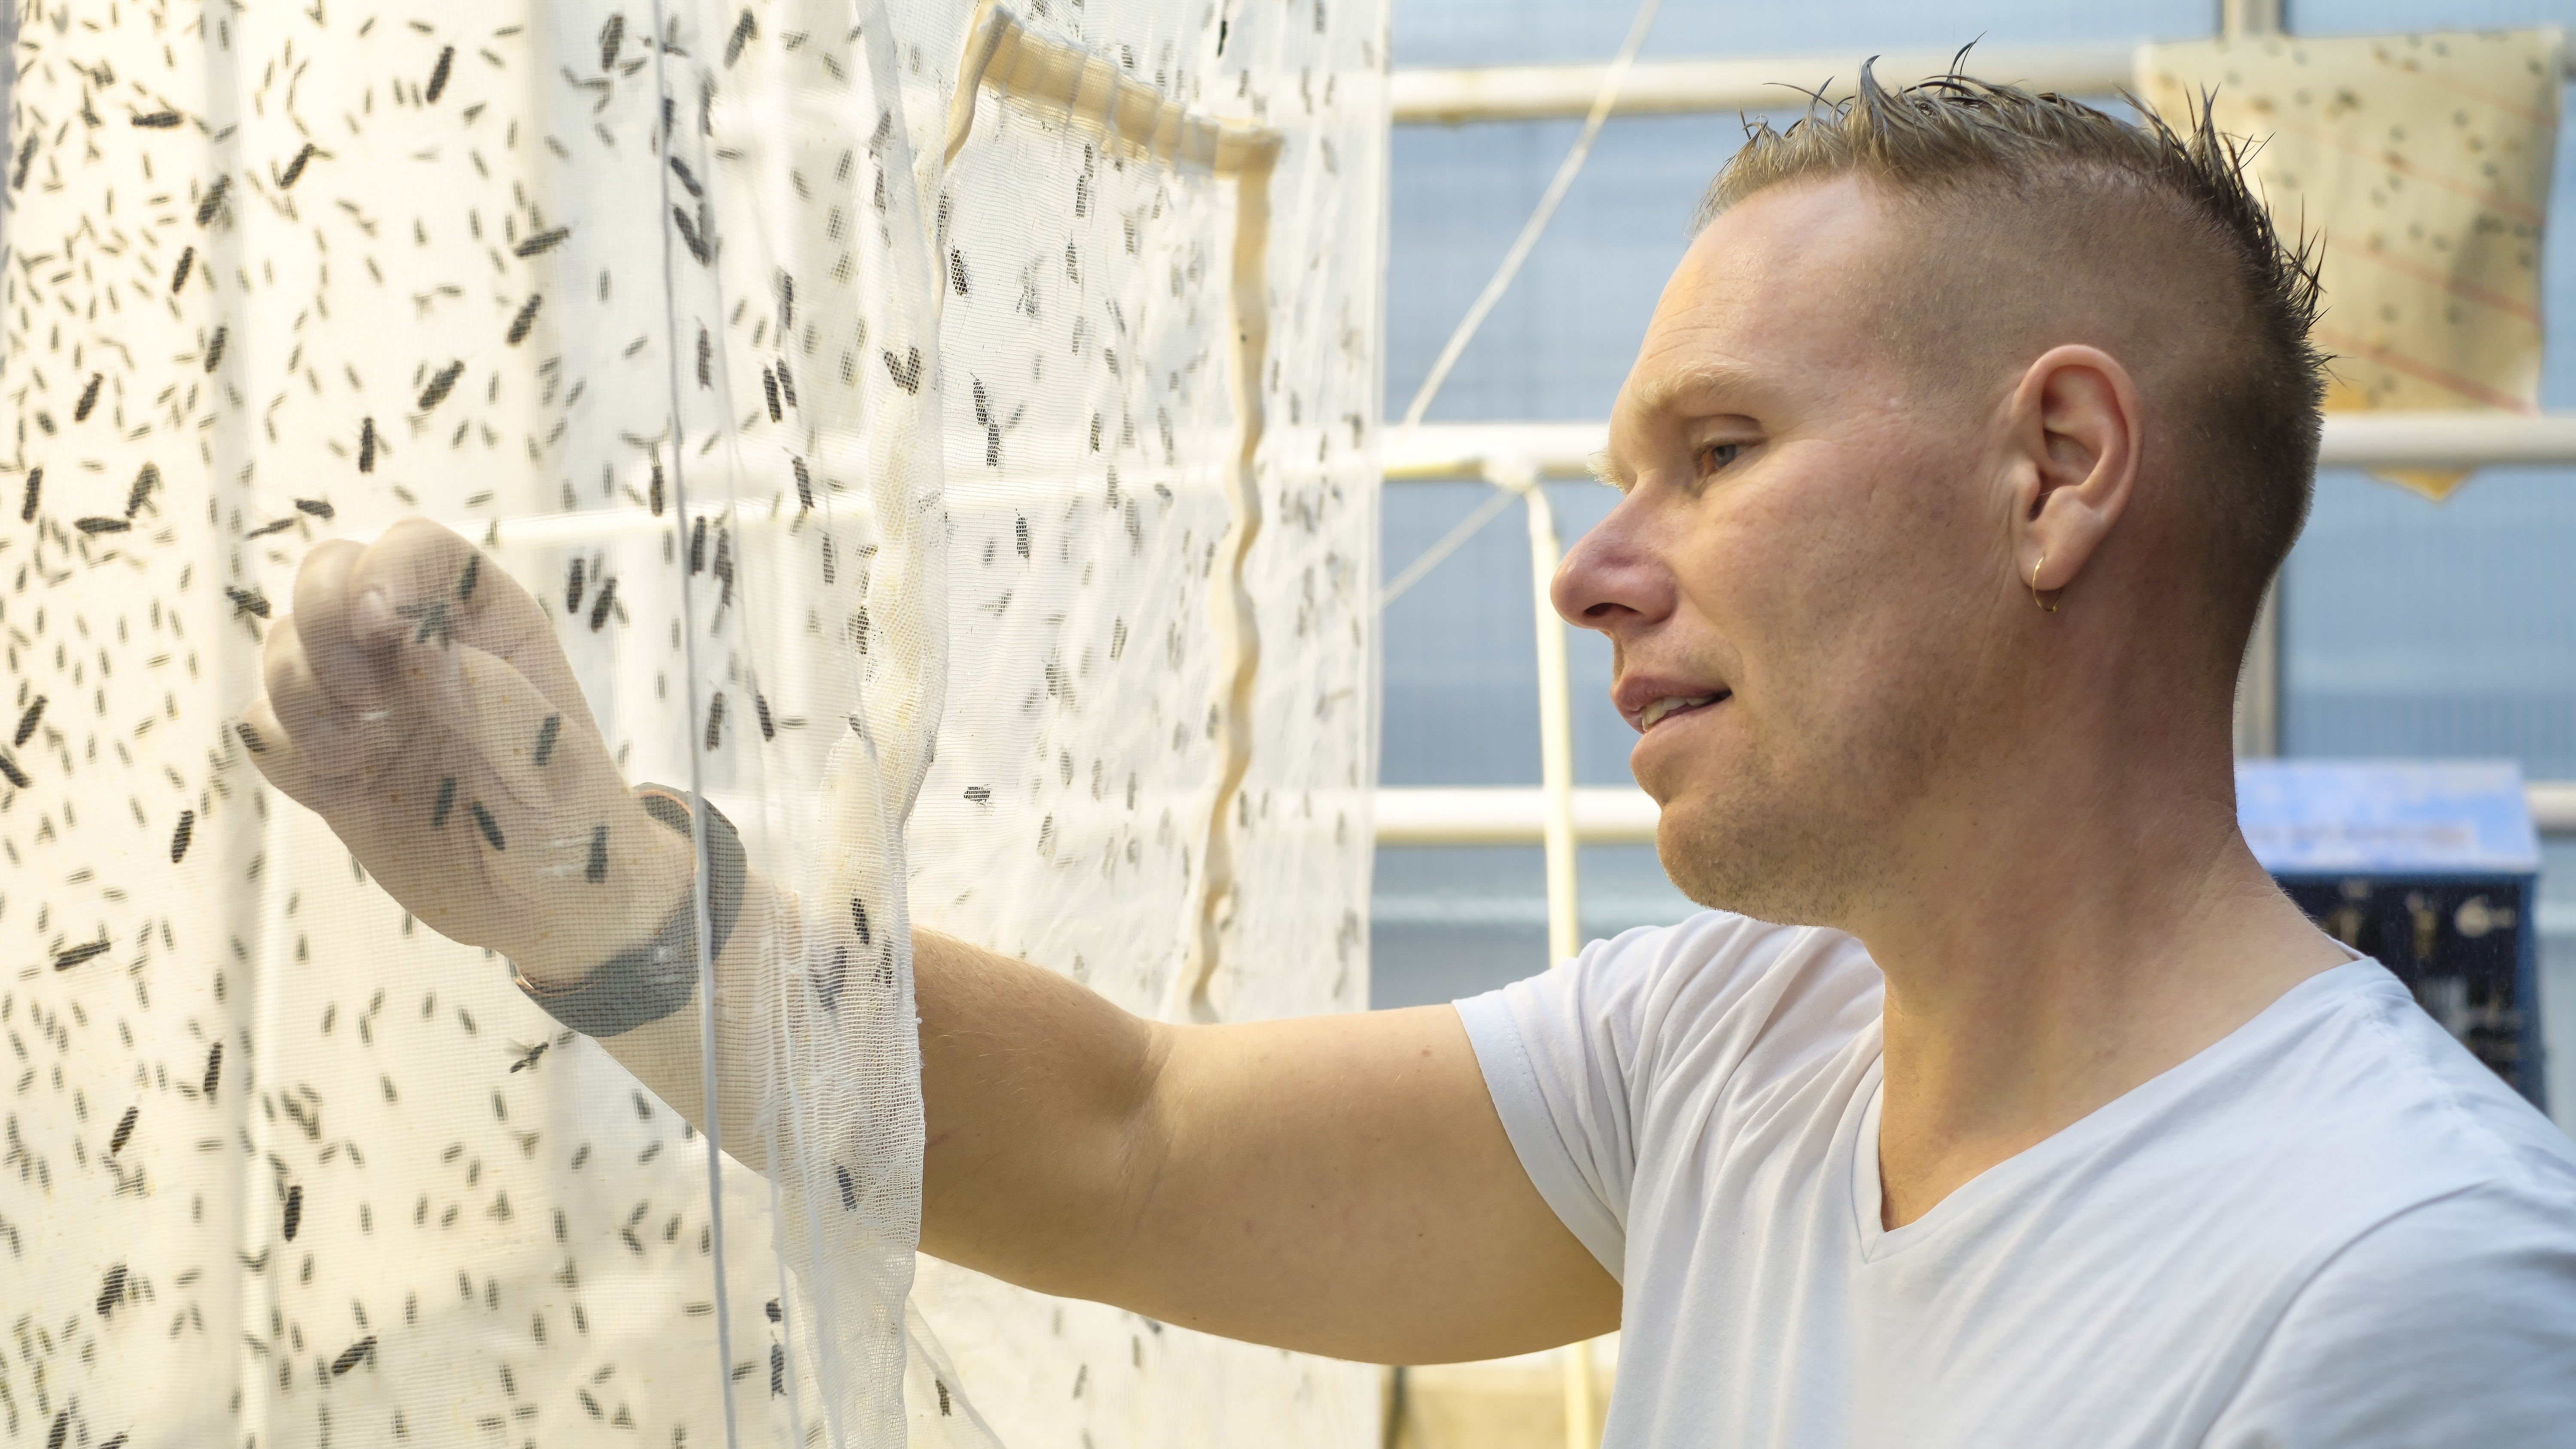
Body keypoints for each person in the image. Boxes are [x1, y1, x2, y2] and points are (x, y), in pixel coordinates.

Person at [240, 67, 2576, 1445]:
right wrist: (600, 887)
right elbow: (1128, 1145)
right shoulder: (1733, 1045)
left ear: (2057, 467)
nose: (1587, 572)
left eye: (1720, 450)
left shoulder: (2398, 1293)